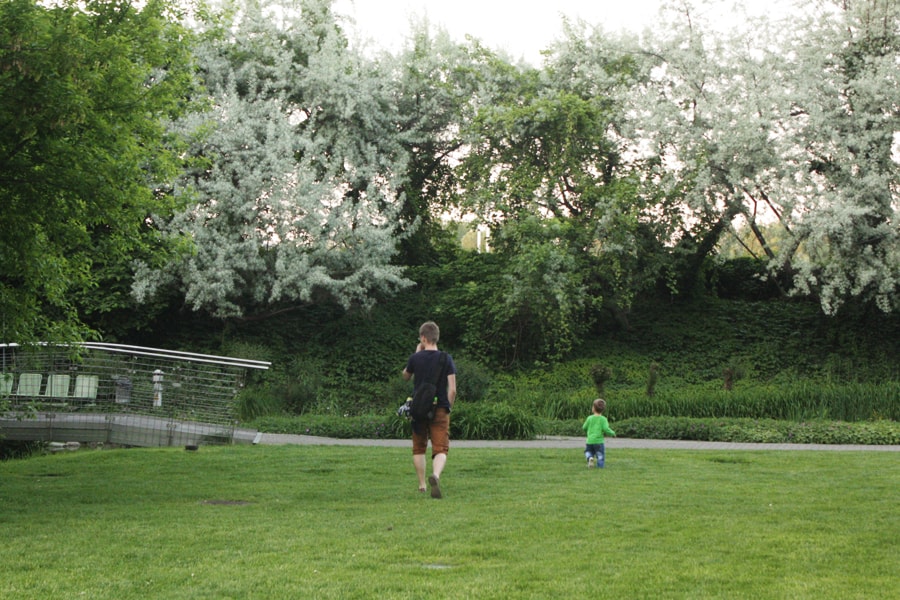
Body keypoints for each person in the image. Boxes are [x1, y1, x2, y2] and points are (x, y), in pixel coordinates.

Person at [402, 321, 457, 498]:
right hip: (440, 406)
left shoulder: (415, 358)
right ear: (436, 337)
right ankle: (436, 475)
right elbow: (453, 389)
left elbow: (405, 376)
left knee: (419, 447)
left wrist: (417, 353)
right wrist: (448, 406)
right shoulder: (446, 358)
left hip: (419, 408)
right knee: (441, 448)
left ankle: (422, 485)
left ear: (423, 338)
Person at [582, 398, 616, 468]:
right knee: (600, 455)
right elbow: (606, 429)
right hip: (599, 442)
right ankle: (600, 466)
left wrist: (588, 431)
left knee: (588, 451)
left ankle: (590, 458)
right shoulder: (603, 419)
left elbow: (584, 427)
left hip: (590, 440)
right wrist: (612, 433)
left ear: (593, 408)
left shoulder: (589, 418)